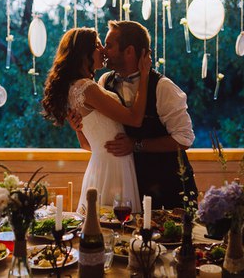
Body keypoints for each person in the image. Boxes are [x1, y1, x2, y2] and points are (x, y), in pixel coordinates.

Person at [42, 27, 151, 214]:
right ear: (84, 53)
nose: (103, 50)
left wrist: (78, 129)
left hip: (103, 164)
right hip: (113, 169)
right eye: (98, 45)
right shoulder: (87, 88)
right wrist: (144, 76)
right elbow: (134, 119)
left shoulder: (75, 87)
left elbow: (86, 145)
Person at [98, 20, 197, 210]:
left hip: (168, 188)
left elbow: (184, 139)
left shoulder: (163, 87)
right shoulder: (104, 82)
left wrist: (136, 145)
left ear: (129, 51)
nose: (103, 50)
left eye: (109, 45)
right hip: (126, 187)